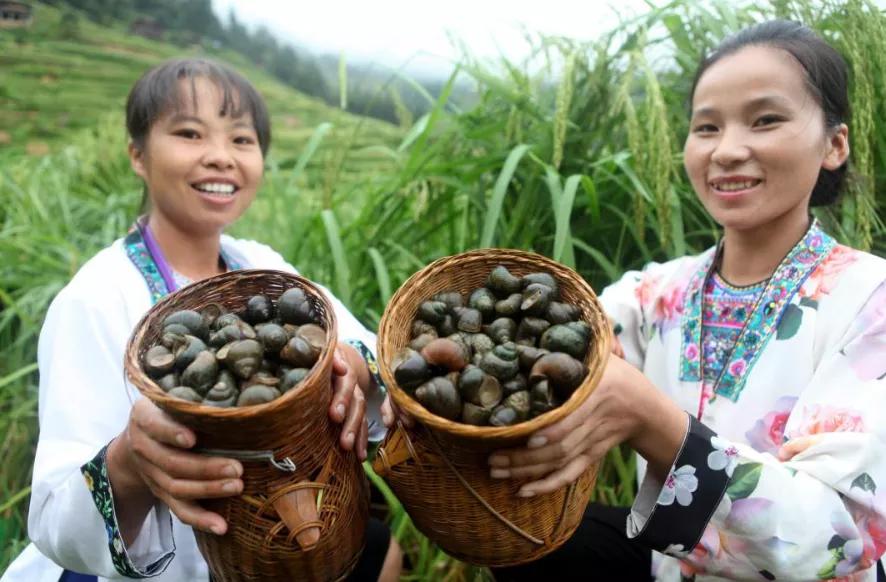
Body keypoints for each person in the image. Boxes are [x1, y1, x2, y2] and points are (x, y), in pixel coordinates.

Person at [486, 20, 886, 581]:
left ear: (834, 144)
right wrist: (368, 370)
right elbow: (533, 344)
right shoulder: (658, 292)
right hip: (669, 568)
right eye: (707, 127)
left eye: (765, 120)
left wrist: (653, 423)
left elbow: (837, 540)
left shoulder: (869, 298)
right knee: (527, 546)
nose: (727, 150)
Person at [2, 59, 402, 582]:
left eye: (241, 139)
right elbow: (54, 515)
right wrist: (129, 465)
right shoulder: (95, 298)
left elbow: (368, 353)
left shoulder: (261, 266)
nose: (220, 156)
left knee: (380, 551)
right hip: (143, 573)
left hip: (275, 541)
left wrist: (351, 367)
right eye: (190, 133)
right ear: (138, 154)